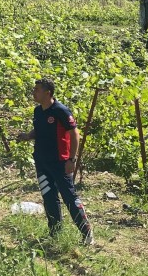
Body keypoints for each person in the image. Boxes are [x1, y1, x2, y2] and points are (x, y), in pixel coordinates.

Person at [17, 78, 94, 245]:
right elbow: (39, 130)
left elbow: (75, 134)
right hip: (42, 163)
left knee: (69, 197)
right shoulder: (38, 111)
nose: (34, 92)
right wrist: (28, 136)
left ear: (48, 92)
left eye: (37, 90)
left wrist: (72, 160)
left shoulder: (61, 111)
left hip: (60, 163)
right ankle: (55, 233)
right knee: (49, 197)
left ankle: (87, 232)